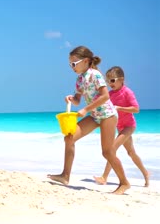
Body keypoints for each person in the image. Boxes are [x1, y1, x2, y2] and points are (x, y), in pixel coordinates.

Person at [47, 46, 130, 195]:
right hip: (94, 116)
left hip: (107, 115)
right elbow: (78, 99)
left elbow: (105, 96)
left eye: (74, 63)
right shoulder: (79, 79)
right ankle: (65, 176)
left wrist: (86, 109)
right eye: (70, 64)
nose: (71, 67)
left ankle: (124, 183)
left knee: (107, 152)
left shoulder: (95, 75)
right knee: (69, 138)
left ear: (85, 61)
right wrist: (72, 99)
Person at [94, 66, 149, 187]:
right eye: (108, 81)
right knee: (131, 152)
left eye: (112, 80)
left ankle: (104, 177)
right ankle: (146, 173)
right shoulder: (110, 94)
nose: (110, 83)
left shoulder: (127, 92)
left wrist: (120, 108)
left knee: (111, 149)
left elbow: (136, 109)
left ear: (121, 79)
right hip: (119, 126)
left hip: (129, 126)